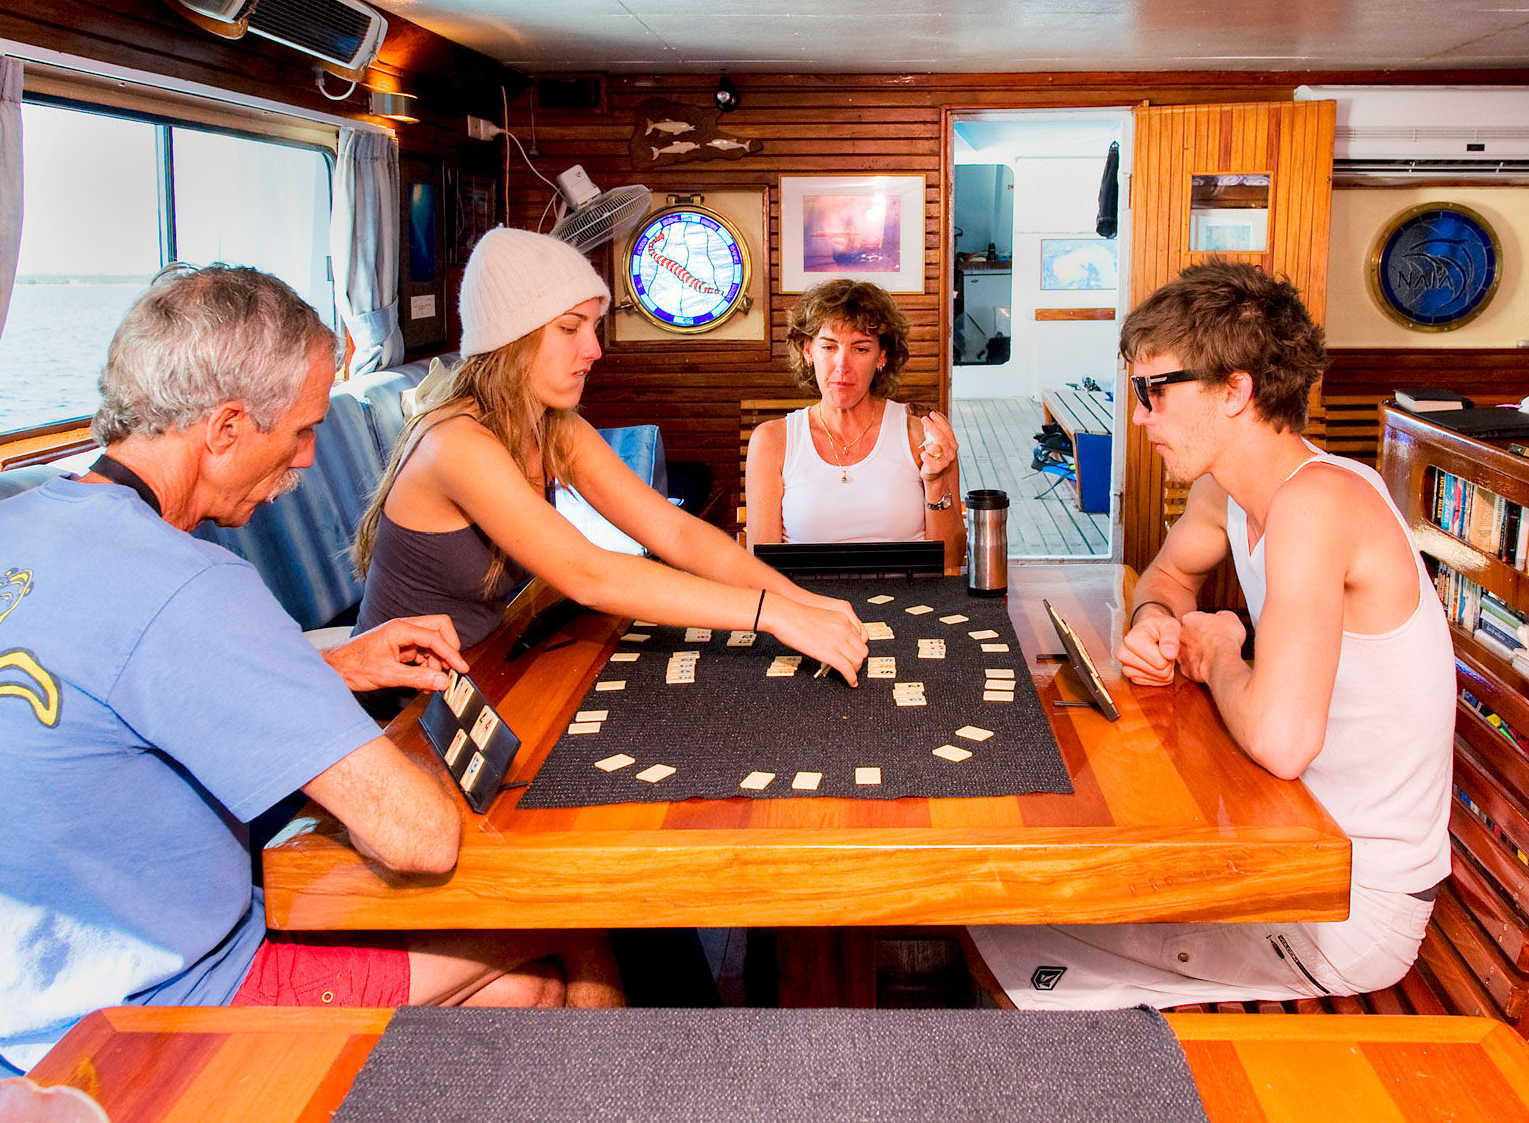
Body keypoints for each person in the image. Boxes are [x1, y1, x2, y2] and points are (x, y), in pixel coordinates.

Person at [0, 265, 623, 1078]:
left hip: (10, 1017)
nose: (310, 457)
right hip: (160, 1016)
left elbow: (105, 688)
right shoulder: (185, 584)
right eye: (304, 428)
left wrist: (326, 665)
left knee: (508, 989)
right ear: (226, 427)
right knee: (561, 923)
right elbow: (420, 837)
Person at [967, 261, 1454, 1008]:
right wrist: (1158, 627)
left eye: (1155, 392)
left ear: (1236, 390)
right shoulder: (1226, 489)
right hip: (1289, 845)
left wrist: (1220, 649)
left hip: (1345, 900)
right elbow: (1163, 579)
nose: (1139, 416)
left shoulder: (1319, 504)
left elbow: (1283, 743)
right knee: (1006, 904)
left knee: (992, 919)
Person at [353, 225, 867, 682]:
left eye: (593, 327)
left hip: (481, 668)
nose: (594, 349)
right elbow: (589, 576)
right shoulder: (456, 443)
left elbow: (673, 530)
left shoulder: (555, 426)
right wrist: (774, 615)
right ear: (513, 337)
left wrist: (802, 601)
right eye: (571, 327)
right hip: (400, 707)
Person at [745, 278, 965, 560]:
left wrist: (936, 484)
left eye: (860, 349)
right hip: (808, 602)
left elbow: (950, 560)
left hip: (910, 600)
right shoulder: (772, 441)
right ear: (808, 350)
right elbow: (762, 567)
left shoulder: (922, 436)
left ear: (882, 356)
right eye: (829, 347)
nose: (842, 366)